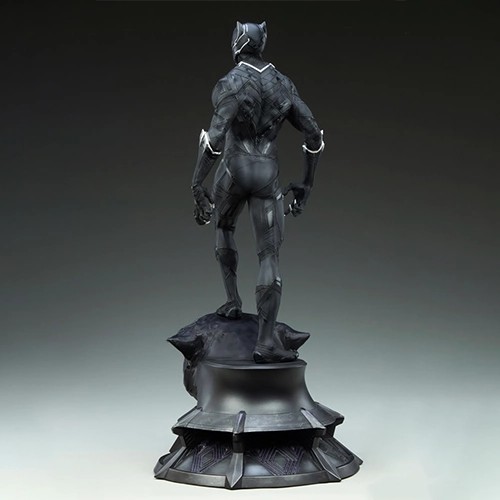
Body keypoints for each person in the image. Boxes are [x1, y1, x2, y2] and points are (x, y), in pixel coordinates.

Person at [191, 21, 324, 363]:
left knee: (224, 226)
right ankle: (265, 342)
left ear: (236, 42)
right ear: (261, 43)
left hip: (234, 169)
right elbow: (313, 134)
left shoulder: (230, 82)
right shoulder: (283, 84)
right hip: (267, 173)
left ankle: (233, 301)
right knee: (269, 256)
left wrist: (197, 183)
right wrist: (307, 184)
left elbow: (215, 141)